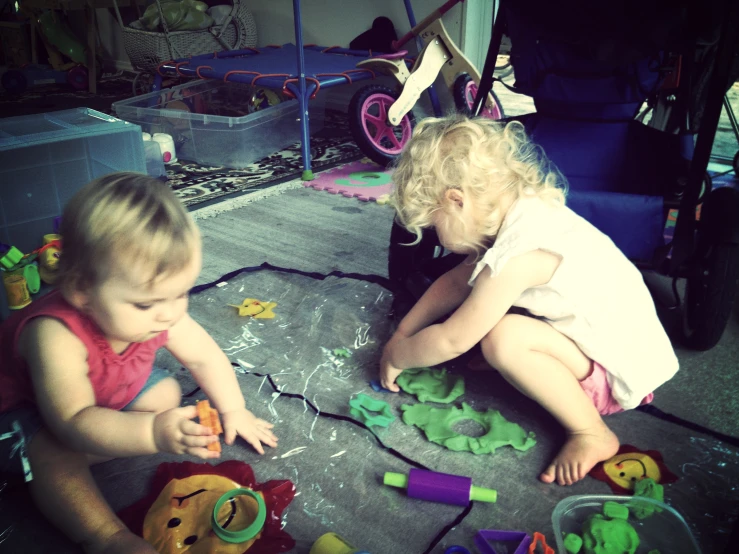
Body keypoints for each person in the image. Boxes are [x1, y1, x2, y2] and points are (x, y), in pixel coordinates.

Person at [379, 115, 679, 486]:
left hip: (616, 374)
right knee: (489, 313)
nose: (436, 238)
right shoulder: (518, 208)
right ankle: (540, 364)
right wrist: (404, 332)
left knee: (501, 338)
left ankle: (591, 432)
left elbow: (453, 339)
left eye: (432, 225)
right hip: (623, 343)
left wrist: (398, 355)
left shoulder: (518, 257)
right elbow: (457, 281)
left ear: (456, 201)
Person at [0, 173, 278, 553]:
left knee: (167, 391)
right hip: (36, 411)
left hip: (105, 392)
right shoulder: (54, 335)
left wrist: (234, 409)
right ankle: (104, 536)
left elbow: (204, 355)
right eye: (145, 304)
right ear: (82, 289)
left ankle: (85, 453)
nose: (167, 315)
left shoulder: (161, 311)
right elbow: (72, 421)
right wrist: (150, 434)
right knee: (52, 454)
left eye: (180, 293)